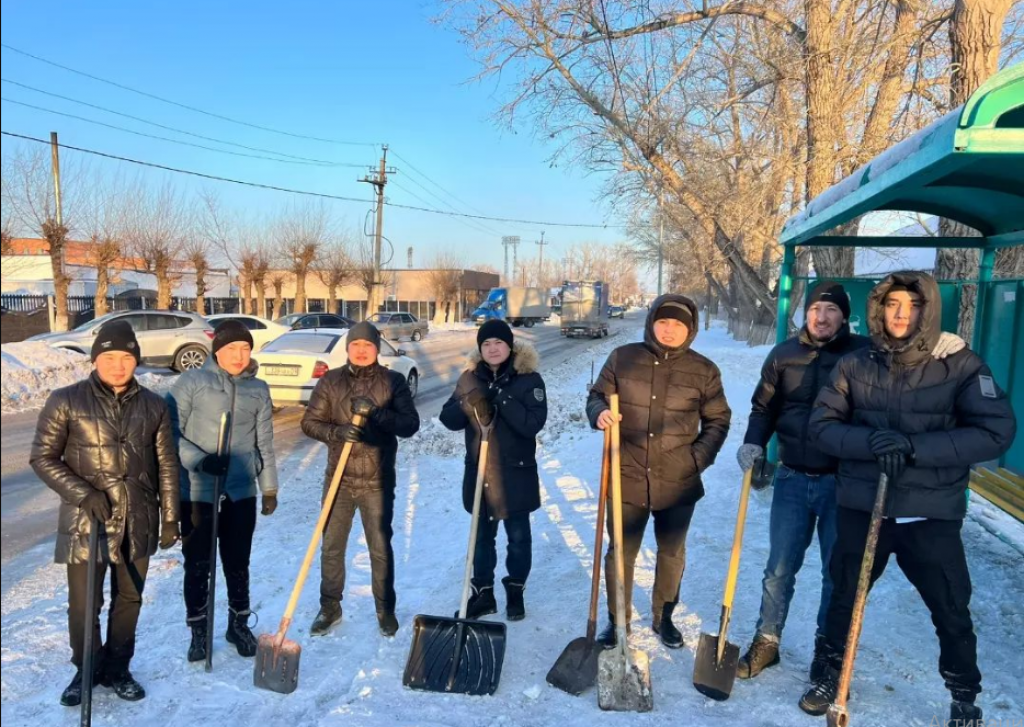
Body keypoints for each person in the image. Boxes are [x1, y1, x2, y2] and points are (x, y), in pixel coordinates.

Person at [800, 271, 1016, 724]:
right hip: (863, 506)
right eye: (892, 303)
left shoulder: (960, 364)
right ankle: (828, 672)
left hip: (929, 511)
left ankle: (963, 693)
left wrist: (914, 448)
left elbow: (995, 432)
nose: (901, 314)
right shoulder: (856, 364)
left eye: (912, 306)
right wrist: (870, 442)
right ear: (879, 308)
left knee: (950, 604)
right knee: (845, 595)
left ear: (928, 310)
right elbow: (821, 426)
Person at [735, 282, 967, 681]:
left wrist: (946, 340)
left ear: (845, 316)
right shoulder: (783, 354)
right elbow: (763, 408)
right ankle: (767, 640)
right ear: (804, 314)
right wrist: (754, 443)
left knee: (835, 574)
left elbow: (910, 357)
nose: (821, 317)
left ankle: (826, 649)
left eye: (830, 310)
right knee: (779, 567)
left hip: (841, 484)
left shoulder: (864, 353)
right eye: (815, 310)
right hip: (791, 477)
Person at [30, 320, 180, 706]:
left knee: (129, 599)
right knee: (84, 603)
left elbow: (167, 465)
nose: (118, 365)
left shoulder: (154, 405)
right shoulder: (65, 400)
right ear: (95, 359)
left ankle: (118, 667)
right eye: (110, 357)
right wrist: (83, 494)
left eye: (127, 357)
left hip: (139, 516)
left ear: (136, 361)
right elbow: (42, 457)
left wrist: (169, 518)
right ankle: (86, 668)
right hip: (87, 519)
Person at [586, 294, 731, 649]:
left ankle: (663, 616)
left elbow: (718, 420)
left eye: (678, 325)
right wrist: (599, 413)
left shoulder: (704, 370)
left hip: (678, 480)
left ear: (690, 329)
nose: (669, 330)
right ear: (651, 322)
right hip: (627, 475)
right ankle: (616, 619)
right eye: (663, 322)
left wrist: (696, 460)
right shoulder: (623, 358)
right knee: (621, 551)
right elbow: (596, 397)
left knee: (671, 553)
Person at [166, 320, 279, 663]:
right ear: (218, 351)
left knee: (237, 561)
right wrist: (199, 460)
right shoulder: (191, 382)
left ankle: (238, 624)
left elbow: (265, 441)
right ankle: (199, 631)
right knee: (198, 563)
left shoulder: (258, 388)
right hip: (198, 490)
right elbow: (169, 432)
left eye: (245, 349)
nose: (239, 355)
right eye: (232, 349)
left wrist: (269, 486)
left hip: (241, 489)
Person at [301, 322, 420, 637]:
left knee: (379, 548)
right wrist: (337, 432)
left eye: (368, 345)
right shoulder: (330, 380)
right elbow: (310, 422)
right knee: (332, 547)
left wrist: (376, 415)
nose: (362, 350)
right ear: (348, 348)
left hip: (377, 481)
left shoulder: (392, 381)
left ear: (377, 348)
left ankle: (385, 609)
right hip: (338, 481)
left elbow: (410, 424)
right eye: (356, 345)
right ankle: (329, 608)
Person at [440, 319, 547, 620]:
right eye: (486, 344)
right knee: (482, 539)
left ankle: (515, 591)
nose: (492, 348)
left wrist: (501, 398)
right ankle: (483, 594)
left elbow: (532, 425)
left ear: (510, 345)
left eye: (498, 342)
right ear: (480, 349)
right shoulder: (469, 378)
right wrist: (468, 402)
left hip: (516, 474)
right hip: (481, 474)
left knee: (518, 539)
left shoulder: (530, 380)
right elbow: (448, 419)